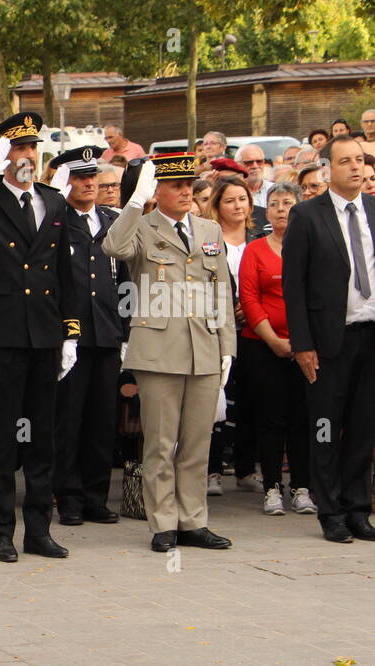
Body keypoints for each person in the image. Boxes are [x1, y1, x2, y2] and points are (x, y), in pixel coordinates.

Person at [0, 112, 80, 563]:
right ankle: (2, 534)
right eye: (17, 148)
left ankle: (40, 532)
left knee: (42, 436)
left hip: (45, 332)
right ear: (1, 154)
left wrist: (70, 331)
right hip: (3, 332)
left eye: (31, 147)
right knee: (4, 437)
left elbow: (68, 271)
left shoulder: (53, 200)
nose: (27, 155)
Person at [102, 155, 236, 553]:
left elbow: (221, 290)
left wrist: (227, 346)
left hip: (205, 349)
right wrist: (134, 203)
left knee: (197, 443)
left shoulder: (208, 228)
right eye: (174, 185)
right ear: (157, 191)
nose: (184, 192)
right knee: (160, 443)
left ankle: (193, 520)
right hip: (159, 351)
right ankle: (163, 522)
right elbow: (113, 245)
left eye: (188, 185)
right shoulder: (142, 228)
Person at [282, 135, 375, 544]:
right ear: (328, 169)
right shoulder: (307, 215)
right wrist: (302, 344)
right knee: (324, 427)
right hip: (326, 343)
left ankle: (357, 508)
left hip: (370, 337)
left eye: (360, 160)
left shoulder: (373, 209)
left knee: (363, 428)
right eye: (345, 161)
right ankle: (330, 510)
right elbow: (293, 285)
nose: (355, 167)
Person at [48, 146, 130, 526]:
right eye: (80, 177)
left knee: (102, 418)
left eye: (92, 177)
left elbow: (125, 280)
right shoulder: (55, 220)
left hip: (107, 330)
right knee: (69, 418)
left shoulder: (112, 219)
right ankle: (68, 496)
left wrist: (126, 331)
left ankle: (96, 495)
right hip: (72, 333)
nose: (88, 184)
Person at [237, 181, 315, 517]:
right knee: (270, 419)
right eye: (274, 203)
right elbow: (250, 299)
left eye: (287, 202)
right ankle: (271, 487)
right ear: (265, 211)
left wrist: (301, 343)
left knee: (302, 418)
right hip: (263, 346)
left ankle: (302, 487)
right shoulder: (255, 249)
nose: (281, 209)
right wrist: (274, 340)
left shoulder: (312, 246)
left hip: (306, 347)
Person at [205, 175, 264, 497]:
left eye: (242, 199)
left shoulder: (259, 237)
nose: (237, 206)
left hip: (256, 331)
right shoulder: (210, 238)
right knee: (216, 403)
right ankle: (212, 470)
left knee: (251, 402)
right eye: (229, 200)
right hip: (219, 330)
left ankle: (245, 469)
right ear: (218, 205)